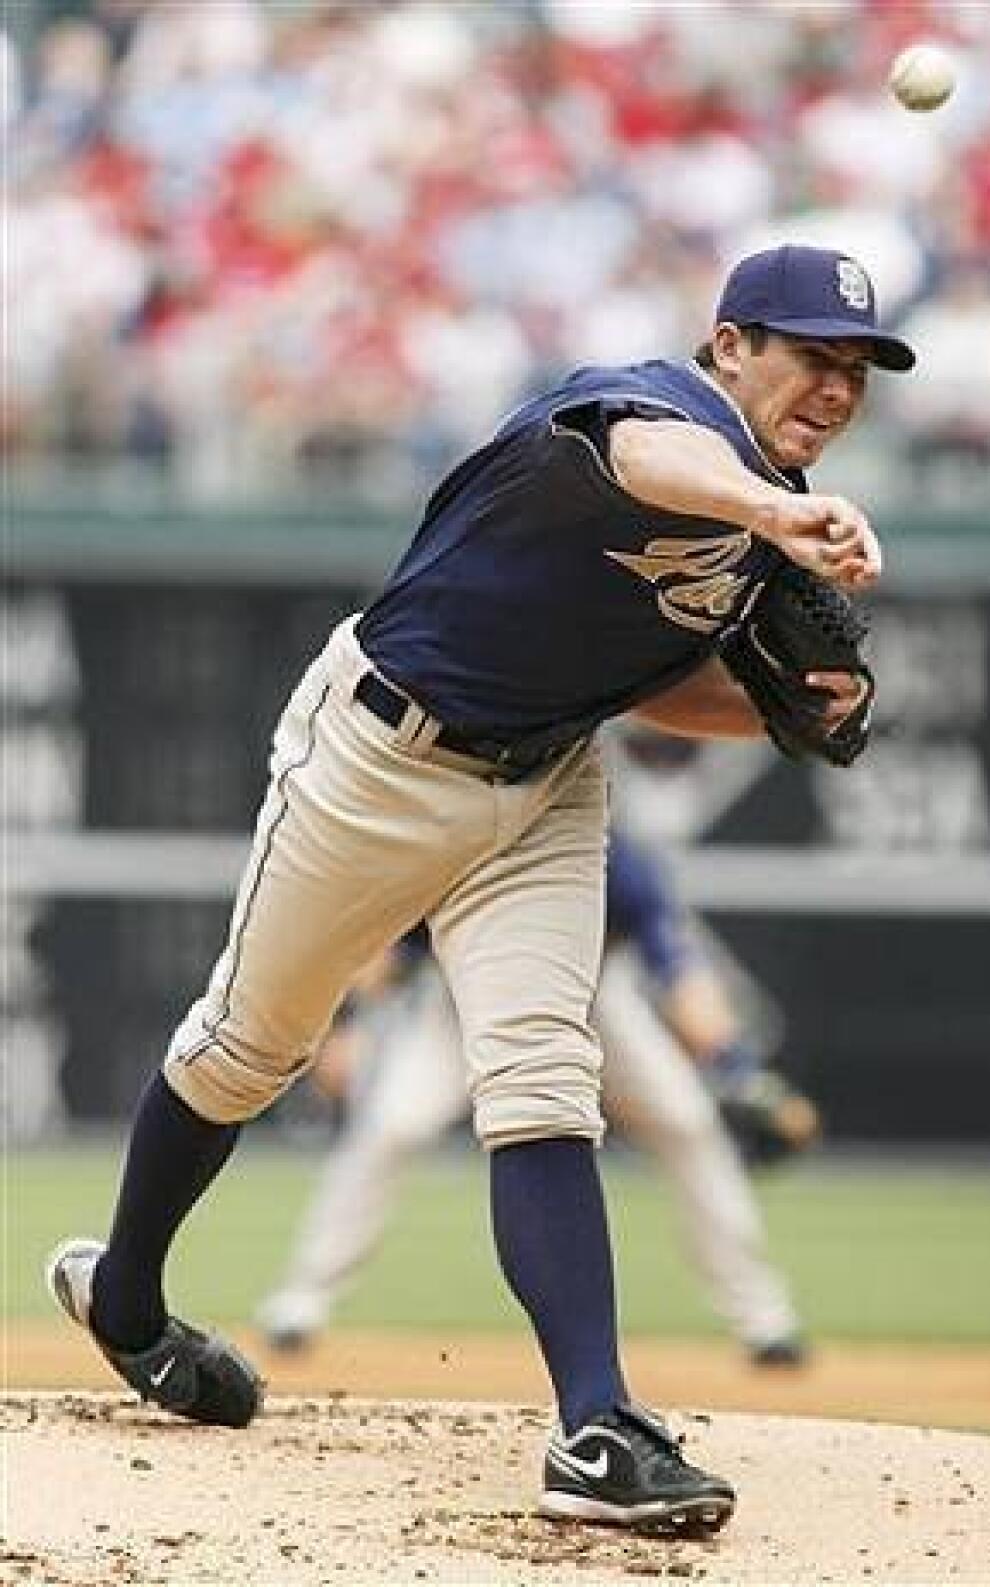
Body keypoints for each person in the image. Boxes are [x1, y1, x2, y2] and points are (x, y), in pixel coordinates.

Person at [47, 242, 914, 1537]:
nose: (835, 387)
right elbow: (637, 462)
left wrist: (787, 713)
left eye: (857, 368)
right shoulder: (649, 410)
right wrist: (772, 511)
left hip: (550, 776)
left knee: (543, 1073)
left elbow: (654, 681)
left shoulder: (759, 517)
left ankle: (596, 1426)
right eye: (809, 353)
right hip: (377, 754)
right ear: (729, 344)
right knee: (248, 1048)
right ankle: (126, 1298)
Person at [257, 824, 818, 1367]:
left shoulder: (612, 856)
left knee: (687, 1125)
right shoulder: (461, 838)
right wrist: (345, 1024)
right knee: (391, 1129)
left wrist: (738, 1069)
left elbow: (678, 974)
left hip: (590, 1001)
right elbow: (386, 958)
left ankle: (764, 1319)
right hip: (460, 1004)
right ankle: (301, 1302)